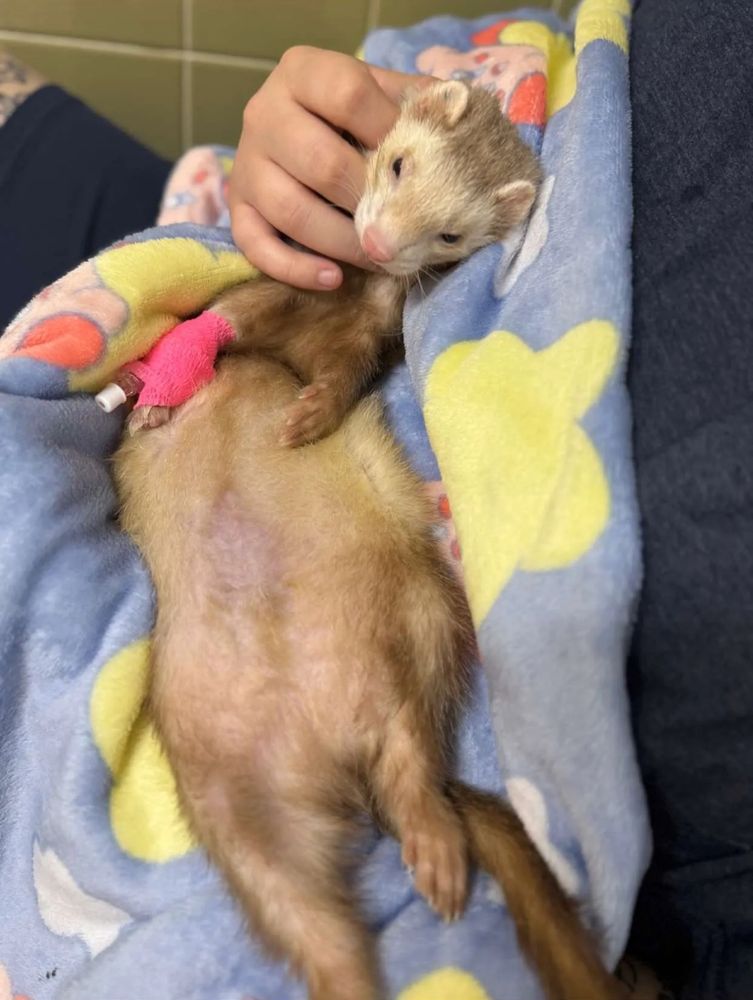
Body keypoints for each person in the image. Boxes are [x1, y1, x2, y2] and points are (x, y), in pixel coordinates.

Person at [1, 1, 752, 994]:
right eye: (396, 183)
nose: (387, 229)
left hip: (339, 562)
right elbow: (488, 78)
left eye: (431, 228)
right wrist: (316, 128)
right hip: (212, 285)